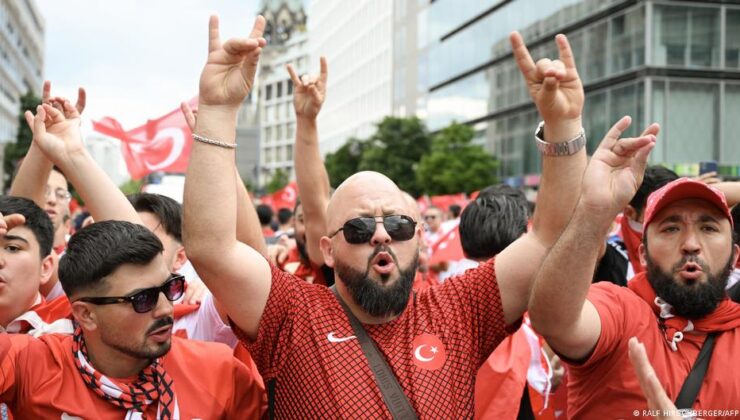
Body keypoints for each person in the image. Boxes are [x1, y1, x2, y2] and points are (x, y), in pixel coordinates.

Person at [184, 13, 591, 416]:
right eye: (359, 228)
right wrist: (219, 110)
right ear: (327, 249)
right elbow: (212, 249)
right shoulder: (291, 314)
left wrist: (564, 123)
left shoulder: (460, 310)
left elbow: (550, 237)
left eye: (397, 224)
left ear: (417, 238)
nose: (381, 236)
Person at [527, 118, 740, 420]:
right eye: (670, 228)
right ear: (643, 252)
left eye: (708, 227)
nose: (691, 243)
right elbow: (555, 321)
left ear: (734, 257)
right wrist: (593, 211)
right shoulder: (622, 309)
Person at [0, 217, 263, 418]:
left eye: (170, 288)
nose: (164, 309)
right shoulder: (33, 363)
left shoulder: (218, 370)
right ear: (86, 314)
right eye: (143, 299)